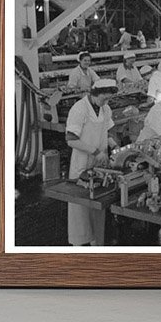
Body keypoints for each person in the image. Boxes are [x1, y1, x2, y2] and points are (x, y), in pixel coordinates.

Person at [65, 79, 117, 246]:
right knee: (80, 207)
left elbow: (107, 132)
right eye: (103, 99)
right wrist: (95, 151)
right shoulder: (79, 109)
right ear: (94, 94)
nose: (106, 102)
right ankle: (78, 243)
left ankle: (96, 239)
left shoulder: (105, 108)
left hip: (100, 161)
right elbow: (71, 140)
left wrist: (115, 146)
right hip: (83, 161)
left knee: (98, 202)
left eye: (108, 99)